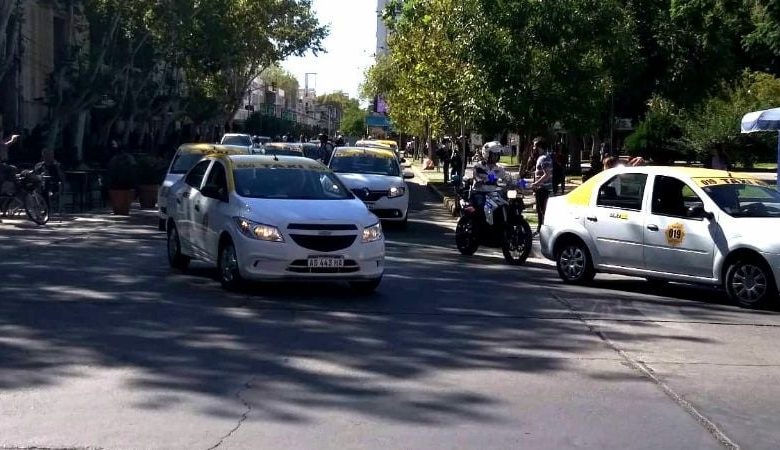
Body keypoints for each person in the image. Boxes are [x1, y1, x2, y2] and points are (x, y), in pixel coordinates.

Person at [529, 137, 553, 234]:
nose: (533, 148)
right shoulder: (541, 157)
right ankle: (540, 229)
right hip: (540, 188)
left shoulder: (544, 158)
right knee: (539, 210)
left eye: (534, 146)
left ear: (539, 147)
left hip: (543, 189)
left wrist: (536, 183)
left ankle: (542, 230)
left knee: (542, 211)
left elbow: (547, 175)